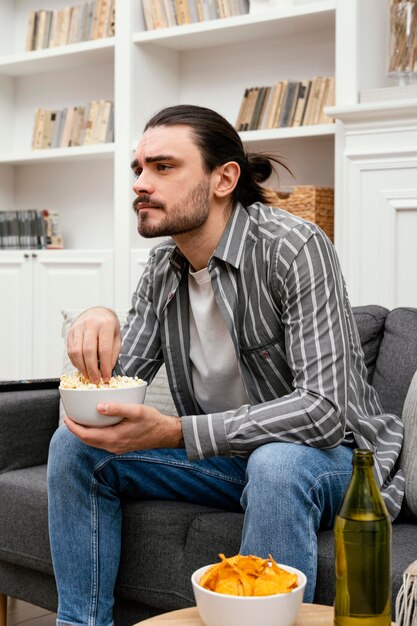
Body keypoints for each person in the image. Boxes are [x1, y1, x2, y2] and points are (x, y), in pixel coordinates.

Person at [48, 104, 404, 626]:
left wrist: (177, 432)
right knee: (74, 446)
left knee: (276, 464)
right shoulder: (163, 266)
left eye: (163, 167)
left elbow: (325, 412)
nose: (141, 184)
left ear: (224, 178)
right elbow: (121, 384)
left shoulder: (295, 248)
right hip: (228, 460)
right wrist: (98, 317)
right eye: (138, 169)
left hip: (333, 459)